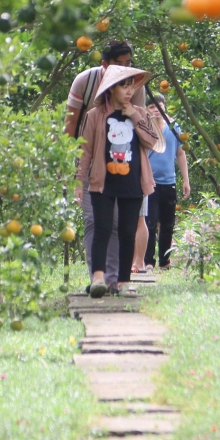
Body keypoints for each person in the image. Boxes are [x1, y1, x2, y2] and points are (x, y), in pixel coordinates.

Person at [75, 66, 160, 298]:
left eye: (131, 85)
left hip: (133, 183)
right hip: (103, 182)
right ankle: (98, 278)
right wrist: (78, 181)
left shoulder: (140, 113)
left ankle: (123, 281)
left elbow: (153, 142)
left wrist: (133, 114)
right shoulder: (95, 115)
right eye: (124, 85)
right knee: (101, 229)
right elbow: (86, 151)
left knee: (126, 232)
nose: (129, 90)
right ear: (111, 89)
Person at [65, 40, 144, 290]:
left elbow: (142, 130)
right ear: (104, 64)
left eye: (128, 64)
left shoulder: (135, 85)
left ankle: (114, 280)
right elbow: (71, 127)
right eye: (118, 65)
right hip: (91, 162)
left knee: (121, 223)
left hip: (124, 166)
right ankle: (98, 278)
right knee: (96, 221)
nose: (124, 70)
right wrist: (75, 171)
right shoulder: (84, 82)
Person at [142, 93, 189, 270]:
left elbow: (180, 153)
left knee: (168, 224)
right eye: (152, 107)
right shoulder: (145, 127)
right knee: (150, 223)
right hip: (149, 183)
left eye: (158, 106)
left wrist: (186, 180)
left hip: (169, 182)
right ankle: (148, 262)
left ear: (164, 108)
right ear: (147, 109)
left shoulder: (174, 127)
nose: (155, 110)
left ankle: (164, 261)